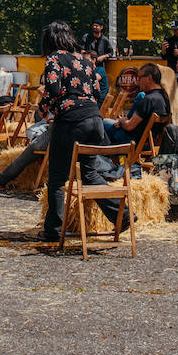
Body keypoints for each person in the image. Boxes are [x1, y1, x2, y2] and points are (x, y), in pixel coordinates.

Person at [34, 20, 124, 243]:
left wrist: (44, 107)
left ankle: (54, 231)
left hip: (72, 122)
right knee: (90, 174)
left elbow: (53, 91)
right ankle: (124, 216)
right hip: (94, 120)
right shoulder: (85, 61)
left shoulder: (54, 59)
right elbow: (95, 92)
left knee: (57, 177)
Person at [106, 62, 170, 146]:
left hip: (132, 142)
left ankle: (104, 156)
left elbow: (129, 126)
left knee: (103, 124)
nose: (137, 82)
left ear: (149, 78)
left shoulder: (148, 99)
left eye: (139, 78)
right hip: (149, 142)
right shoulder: (164, 97)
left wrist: (122, 120)